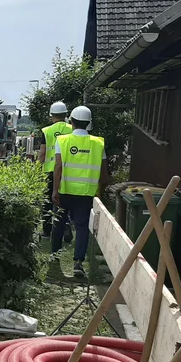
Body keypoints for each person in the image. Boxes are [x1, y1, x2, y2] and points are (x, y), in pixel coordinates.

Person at [52, 106, 108, 277]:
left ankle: (55, 256)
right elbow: (104, 172)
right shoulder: (98, 143)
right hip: (86, 193)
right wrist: (100, 192)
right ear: (89, 123)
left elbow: (58, 166)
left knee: (58, 224)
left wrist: (55, 190)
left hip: (64, 191)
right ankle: (78, 263)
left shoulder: (62, 140)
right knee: (82, 227)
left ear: (71, 121)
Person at [37, 101, 73, 238]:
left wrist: (36, 170)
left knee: (47, 201)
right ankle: (66, 224)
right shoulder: (72, 129)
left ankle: (47, 231)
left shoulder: (47, 131)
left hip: (49, 171)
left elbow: (42, 153)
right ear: (65, 115)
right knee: (64, 199)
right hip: (67, 171)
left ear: (52, 116)